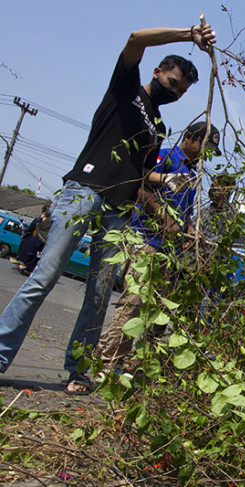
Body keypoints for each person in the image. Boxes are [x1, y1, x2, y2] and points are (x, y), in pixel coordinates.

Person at [0, 23, 216, 395]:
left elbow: (140, 176)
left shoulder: (159, 128)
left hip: (117, 212)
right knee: (45, 277)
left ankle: (76, 370)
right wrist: (188, 35)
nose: (175, 92)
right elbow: (135, 39)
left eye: (181, 91)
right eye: (173, 82)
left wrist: (162, 200)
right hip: (84, 192)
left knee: (98, 296)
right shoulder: (126, 89)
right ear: (156, 72)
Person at [96, 122, 221, 372]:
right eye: (203, 146)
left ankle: (107, 356)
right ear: (188, 138)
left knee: (145, 311)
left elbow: (183, 215)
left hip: (166, 250)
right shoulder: (167, 157)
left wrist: (190, 232)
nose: (204, 153)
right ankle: (108, 364)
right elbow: (139, 187)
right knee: (132, 305)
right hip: (146, 241)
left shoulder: (193, 174)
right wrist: (163, 217)